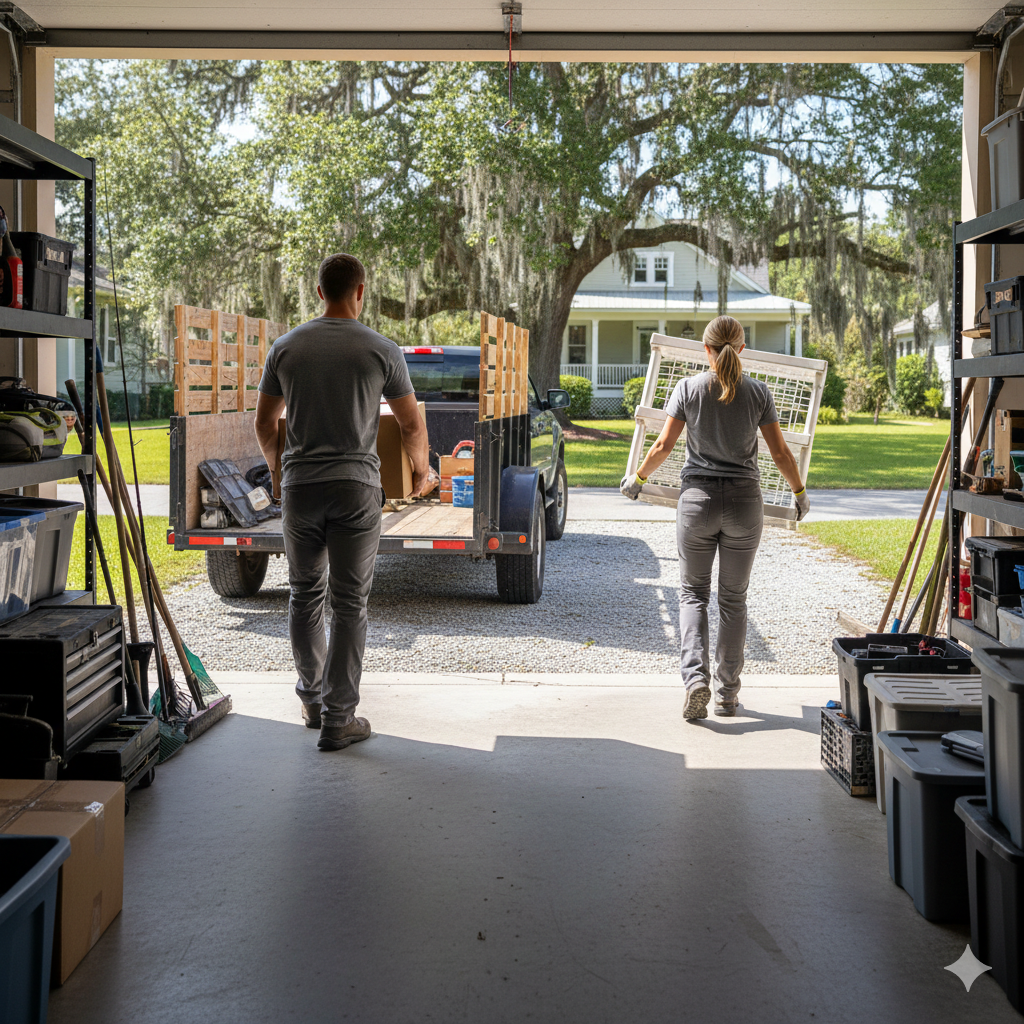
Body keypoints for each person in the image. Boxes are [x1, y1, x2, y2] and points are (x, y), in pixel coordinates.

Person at [255, 253, 437, 750]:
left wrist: (278, 467)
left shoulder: (285, 348)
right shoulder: (381, 349)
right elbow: (410, 423)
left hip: (300, 489)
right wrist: (421, 470)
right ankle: (340, 718)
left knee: (304, 594)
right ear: (361, 291)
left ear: (319, 292)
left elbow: (265, 423)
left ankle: (311, 700)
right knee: (350, 602)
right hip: (357, 488)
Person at [620, 315, 809, 720]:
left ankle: (695, 681)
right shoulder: (759, 392)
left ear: (704, 349)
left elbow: (664, 445)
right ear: (741, 349)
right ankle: (727, 695)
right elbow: (780, 454)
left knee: (692, 595)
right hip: (744, 505)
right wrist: (799, 492)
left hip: (697, 504)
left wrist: (636, 478)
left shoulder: (687, 388)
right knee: (733, 600)